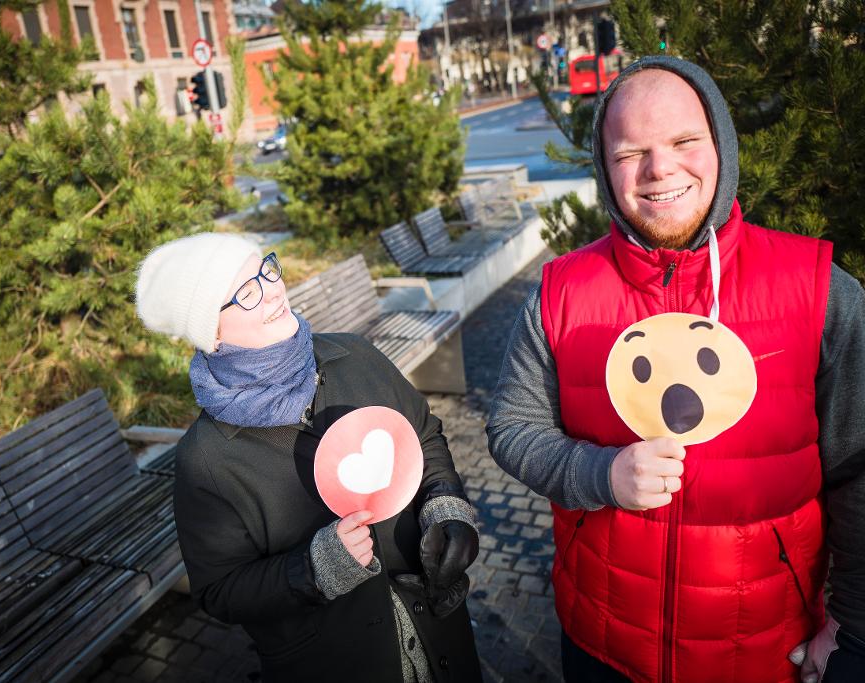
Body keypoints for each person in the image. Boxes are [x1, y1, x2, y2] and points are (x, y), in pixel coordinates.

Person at [487, 55, 865, 683]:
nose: (659, 170)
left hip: (767, 655)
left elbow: (861, 470)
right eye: (629, 152)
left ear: (720, 144)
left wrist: (851, 629)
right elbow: (511, 428)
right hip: (602, 645)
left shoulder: (821, 291)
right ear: (606, 172)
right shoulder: (559, 293)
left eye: (683, 141)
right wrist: (599, 473)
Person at [134, 233, 483, 682]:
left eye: (266, 269)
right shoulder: (206, 459)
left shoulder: (358, 357)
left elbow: (423, 434)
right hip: (334, 661)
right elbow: (220, 591)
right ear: (211, 331)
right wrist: (313, 569)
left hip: (438, 630)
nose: (274, 290)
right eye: (245, 292)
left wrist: (446, 507)